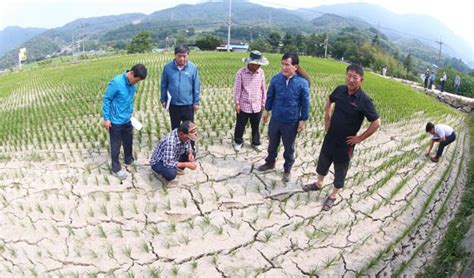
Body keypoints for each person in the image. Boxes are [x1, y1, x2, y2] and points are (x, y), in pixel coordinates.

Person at [303, 64, 381, 211]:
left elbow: (376, 123)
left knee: (340, 168)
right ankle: (319, 184)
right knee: (323, 161)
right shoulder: (340, 90)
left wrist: (359, 138)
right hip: (331, 136)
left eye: (355, 77)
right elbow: (330, 99)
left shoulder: (364, 100)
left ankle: (333, 195)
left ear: (361, 80)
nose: (351, 80)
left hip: (346, 143)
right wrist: (327, 116)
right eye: (349, 76)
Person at [257, 52, 310, 182]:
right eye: (283, 64)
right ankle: (270, 162)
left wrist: (303, 119)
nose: (284, 67)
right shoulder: (276, 79)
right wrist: (266, 111)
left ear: (295, 67)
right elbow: (270, 96)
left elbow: (305, 102)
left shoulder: (302, 83)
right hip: (276, 119)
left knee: (288, 148)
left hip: (291, 121)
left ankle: (287, 169)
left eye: (287, 65)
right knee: (272, 143)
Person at [102, 64, 148, 180]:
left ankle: (129, 160)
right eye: (136, 80)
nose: (136, 83)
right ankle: (116, 168)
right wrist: (106, 119)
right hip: (115, 121)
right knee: (116, 145)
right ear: (131, 73)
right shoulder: (116, 82)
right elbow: (107, 99)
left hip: (127, 119)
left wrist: (131, 111)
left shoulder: (132, 85)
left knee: (128, 141)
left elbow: (129, 100)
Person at [233, 50, 268, 152]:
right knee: (240, 125)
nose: (258, 66)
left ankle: (256, 142)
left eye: (259, 64)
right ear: (250, 63)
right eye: (257, 64)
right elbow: (238, 89)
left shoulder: (261, 73)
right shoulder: (241, 73)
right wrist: (237, 103)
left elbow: (263, 88)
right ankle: (238, 142)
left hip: (257, 105)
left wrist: (263, 103)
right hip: (244, 104)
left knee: (256, 126)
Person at [161, 45, 201, 131]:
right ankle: (176, 144)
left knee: (190, 129)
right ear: (175, 55)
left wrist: (196, 102)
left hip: (188, 104)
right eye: (179, 56)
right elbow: (164, 84)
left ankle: (190, 145)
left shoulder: (192, 68)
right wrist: (163, 99)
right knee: (175, 129)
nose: (182, 58)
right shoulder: (167, 68)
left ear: (188, 56)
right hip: (173, 104)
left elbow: (196, 86)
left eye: (184, 56)